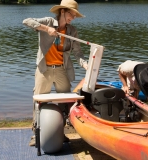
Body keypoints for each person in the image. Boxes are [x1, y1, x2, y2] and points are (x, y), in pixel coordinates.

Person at [23, 0, 88, 146]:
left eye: (76, 15)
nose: (74, 17)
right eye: (72, 14)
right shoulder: (48, 21)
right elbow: (26, 21)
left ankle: (60, 132)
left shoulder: (72, 31)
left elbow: (78, 53)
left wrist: (86, 64)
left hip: (61, 69)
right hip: (44, 69)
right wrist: (46, 29)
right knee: (39, 101)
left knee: (66, 102)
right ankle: (36, 134)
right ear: (63, 11)